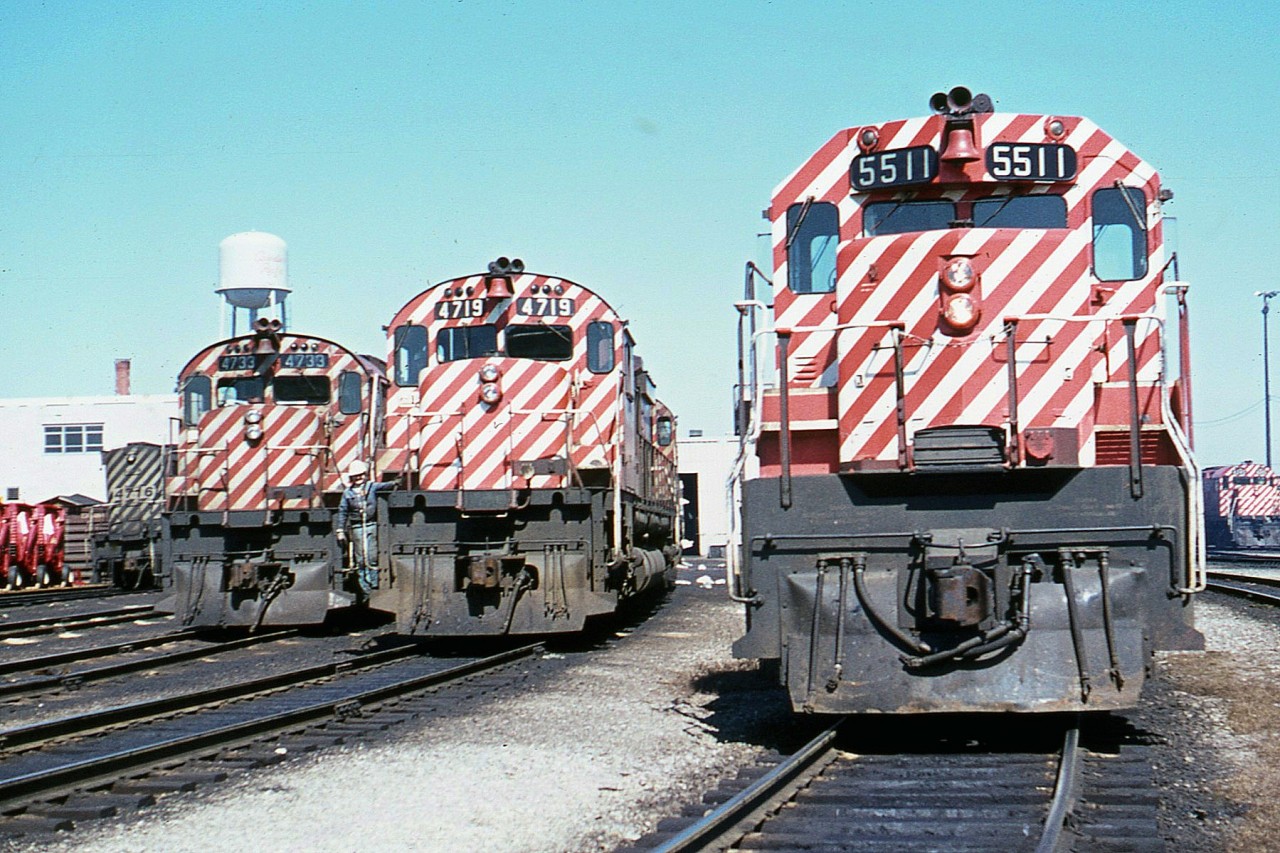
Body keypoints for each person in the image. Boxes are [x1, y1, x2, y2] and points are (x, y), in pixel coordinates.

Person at [335, 460, 394, 595]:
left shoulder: (372, 487)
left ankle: (374, 584)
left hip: (371, 525)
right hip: (357, 528)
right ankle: (364, 587)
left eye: (361, 475)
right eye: (356, 475)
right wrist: (340, 530)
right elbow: (343, 511)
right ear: (352, 477)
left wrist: (394, 483)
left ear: (365, 474)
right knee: (360, 558)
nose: (359, 478)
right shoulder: (347, 494)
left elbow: (385, 486)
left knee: (372, 556)